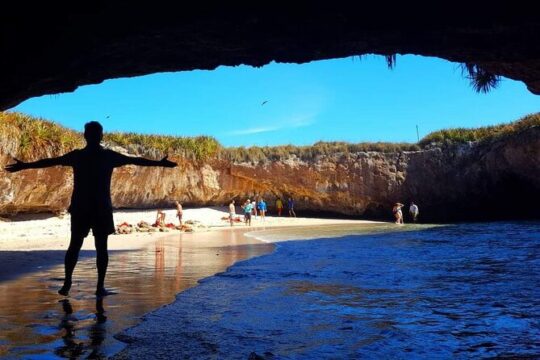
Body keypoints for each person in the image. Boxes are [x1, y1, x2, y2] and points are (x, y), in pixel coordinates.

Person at [5, 121, 177, 297]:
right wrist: (160, 164)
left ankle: (67, 283)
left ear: (85, 136)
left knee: (74, 246)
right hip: (101, 207)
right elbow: (136, 161)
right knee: (101, 248)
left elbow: (50, 161)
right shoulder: (108, 156)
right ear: (101, 136)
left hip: (81, 206)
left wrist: (24, 165)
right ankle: (99, 287)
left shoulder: (78, 156)